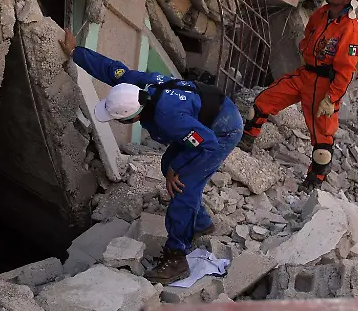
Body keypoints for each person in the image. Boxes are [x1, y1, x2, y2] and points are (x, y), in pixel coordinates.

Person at [60, 29, 243, 285]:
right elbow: (111, 69)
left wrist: (179, 167)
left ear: (134, 117)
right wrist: (77, 52)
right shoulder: (135, 87)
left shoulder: (168, 119)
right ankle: (200, 222)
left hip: (221, 129)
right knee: (167, 164)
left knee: (183, 186)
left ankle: (177, 258)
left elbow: (207, 144)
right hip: (201, 118)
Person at [240, 0, 358, 190]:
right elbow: (309, 33)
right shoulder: (322, 13)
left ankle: (314, 180)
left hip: (325, 85)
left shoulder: (352, 30)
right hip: (305, 74)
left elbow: (346, 69)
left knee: (322, 139)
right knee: (263, 102)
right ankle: (246, 141)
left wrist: (331, 99)